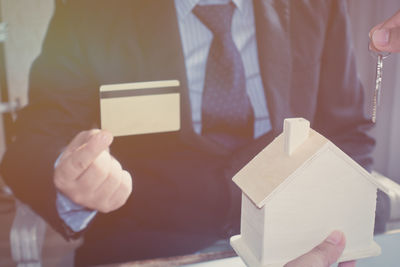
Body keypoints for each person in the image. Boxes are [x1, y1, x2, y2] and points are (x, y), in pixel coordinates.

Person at [0, 0, 371, 266]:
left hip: (292, 242)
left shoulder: (319, 5)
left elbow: (347, 130)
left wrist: (337, 219)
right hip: (145, 246)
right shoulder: (90, 9)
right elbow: (35, 139)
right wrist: (68, 171)